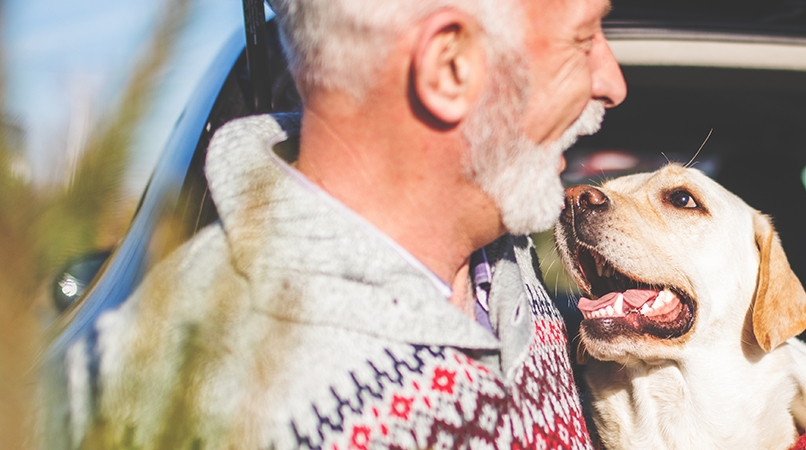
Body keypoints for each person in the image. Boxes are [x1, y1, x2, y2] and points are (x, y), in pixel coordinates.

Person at [84, 0, 626, 448]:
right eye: (582, 40)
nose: (612, 83)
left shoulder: (505, 259)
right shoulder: (199, 403)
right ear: (449, 68)